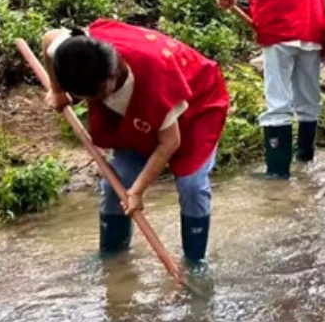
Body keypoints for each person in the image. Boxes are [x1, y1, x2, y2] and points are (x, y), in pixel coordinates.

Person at [40, 21, 230, 269]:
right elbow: (48, 39)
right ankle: (112, 257)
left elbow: (170, 142)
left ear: (112, 76)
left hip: (195, 104)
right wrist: (57, 91)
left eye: (94, 97)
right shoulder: (77, 51)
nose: (89, 102)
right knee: (115, 184)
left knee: (191, 187)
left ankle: (195, 264)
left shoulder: (154, 78)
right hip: (141, 110)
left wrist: (138, 191)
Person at [214, 0, 325, 178]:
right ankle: (305, 162)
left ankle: (278, 174)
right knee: (308, 100)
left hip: (282, 30)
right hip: (312, 31)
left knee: (278, 101)